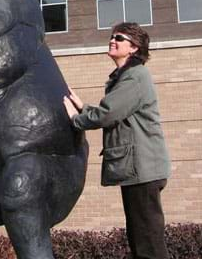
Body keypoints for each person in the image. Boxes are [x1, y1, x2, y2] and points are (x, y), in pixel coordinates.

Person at [64, 22, 171, 259]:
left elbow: (108, 114)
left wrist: (76, 119)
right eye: (112, 37)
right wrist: (83, 108)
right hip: (138, 170)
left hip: (143, 169)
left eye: (119, 38)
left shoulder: (135, 76)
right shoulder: (125, 77)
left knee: (148, 245)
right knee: (140, 239)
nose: (113, 40)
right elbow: (117, 112)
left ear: (134, 48)